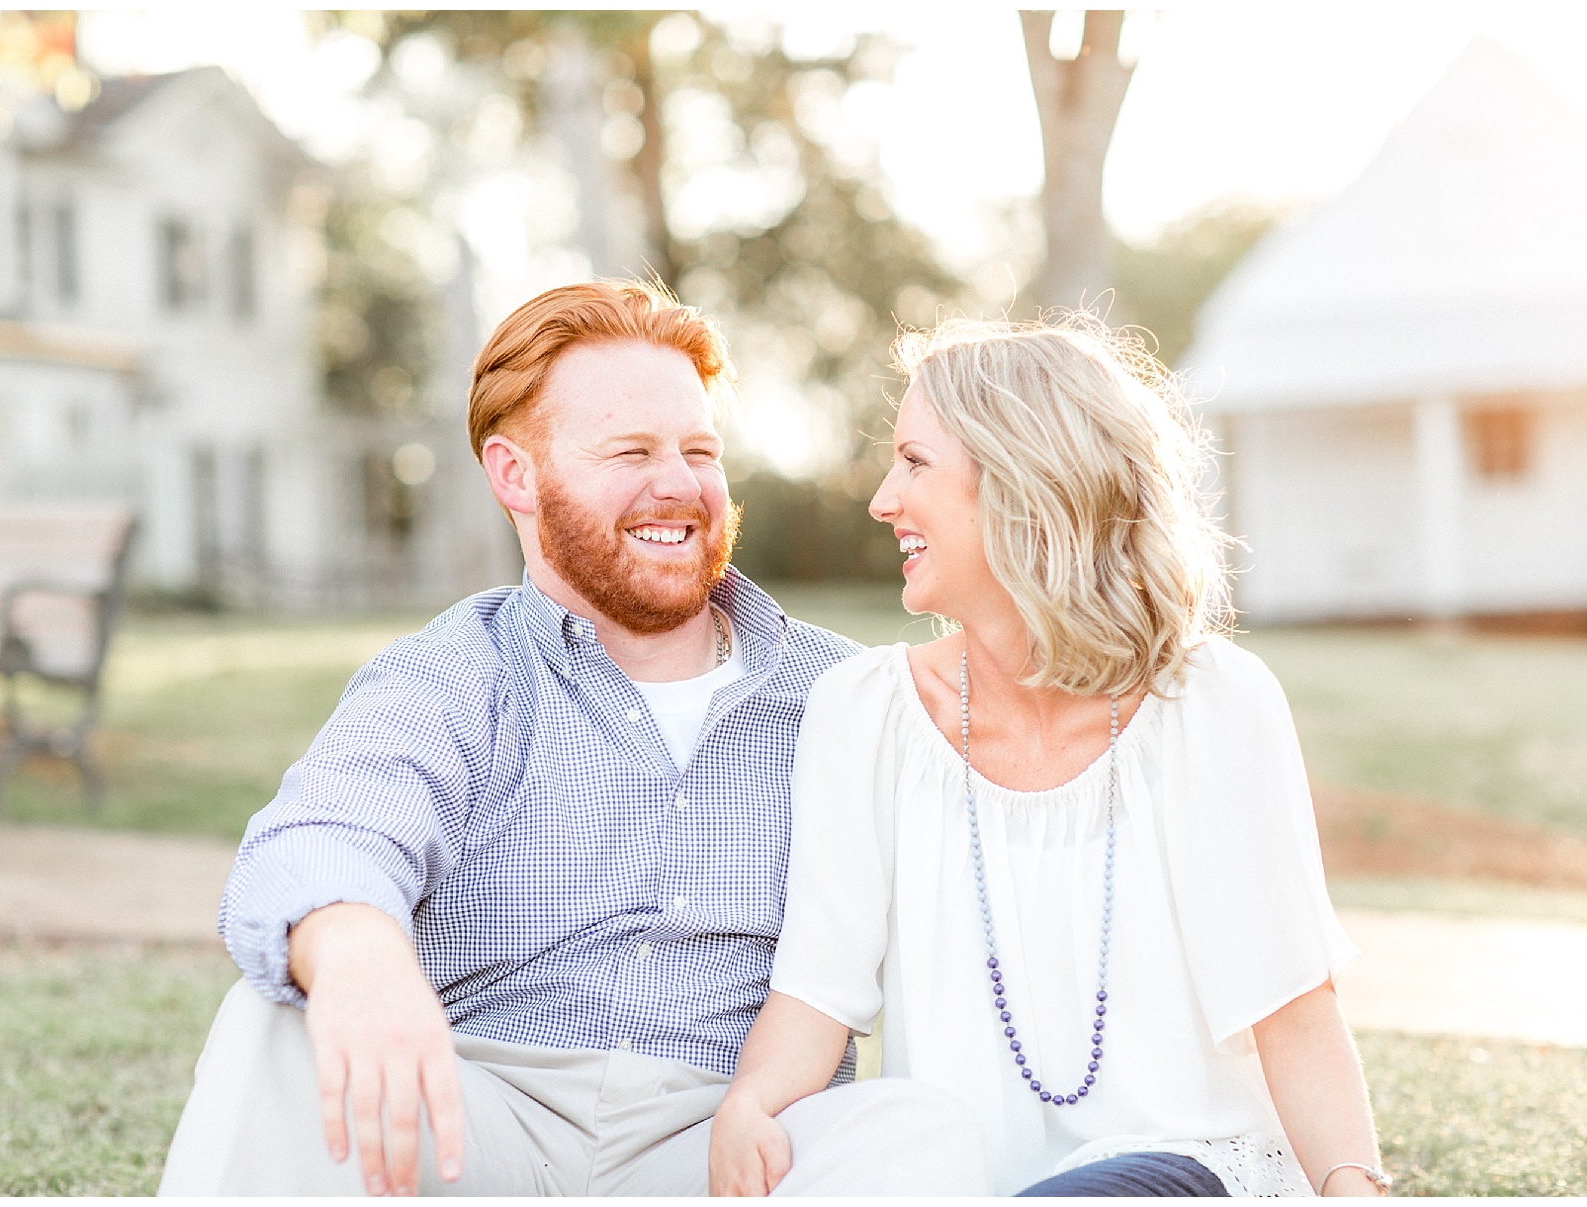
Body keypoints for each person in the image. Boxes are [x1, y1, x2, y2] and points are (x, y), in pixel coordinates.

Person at [158, 280, 989, 1197]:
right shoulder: (451, 675)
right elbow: (327, 831)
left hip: (729, 1146)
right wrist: (356, 950)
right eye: (631, 450)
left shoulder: (841, 691)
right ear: (515, 474)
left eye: (699, 450)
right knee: (268, 1024)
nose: (678, 484)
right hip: (477, 1118)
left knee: (917, 1133)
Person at [708, 317, 1389, 1197]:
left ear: (1021, 480)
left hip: (1187, 1166)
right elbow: (814, 994)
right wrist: (750, 1104)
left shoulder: (1213, 703)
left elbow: (1292, 1009)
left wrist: (1351, 1183)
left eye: (914, 462)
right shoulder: (862, 713)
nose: (881, 500)